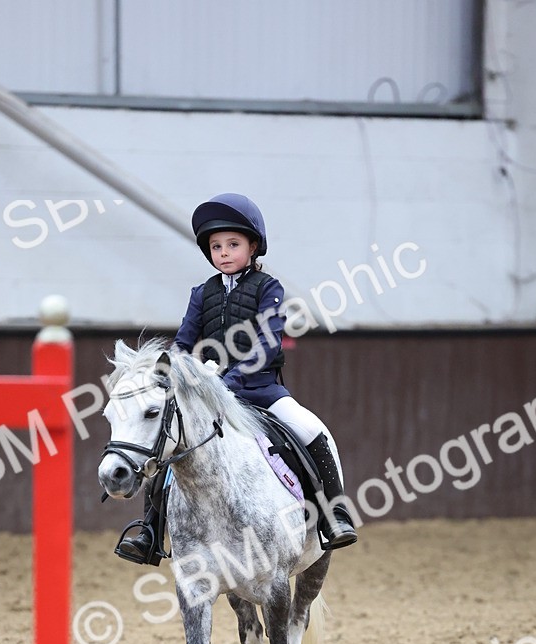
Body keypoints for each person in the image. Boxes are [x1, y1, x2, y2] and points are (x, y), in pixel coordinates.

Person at [115, 192, 357, 564]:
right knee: (167, 443)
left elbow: (267, 340)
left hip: (261, 390)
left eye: (232, 244)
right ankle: (149, 530)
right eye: (216, 246)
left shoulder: (268, 289)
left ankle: (332, 515)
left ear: (253, 246)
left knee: (311, 430)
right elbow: (184, 341)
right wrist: (179, 371)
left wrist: (229, 379)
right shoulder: (202, 294)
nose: (224, 252)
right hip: (208, 397)